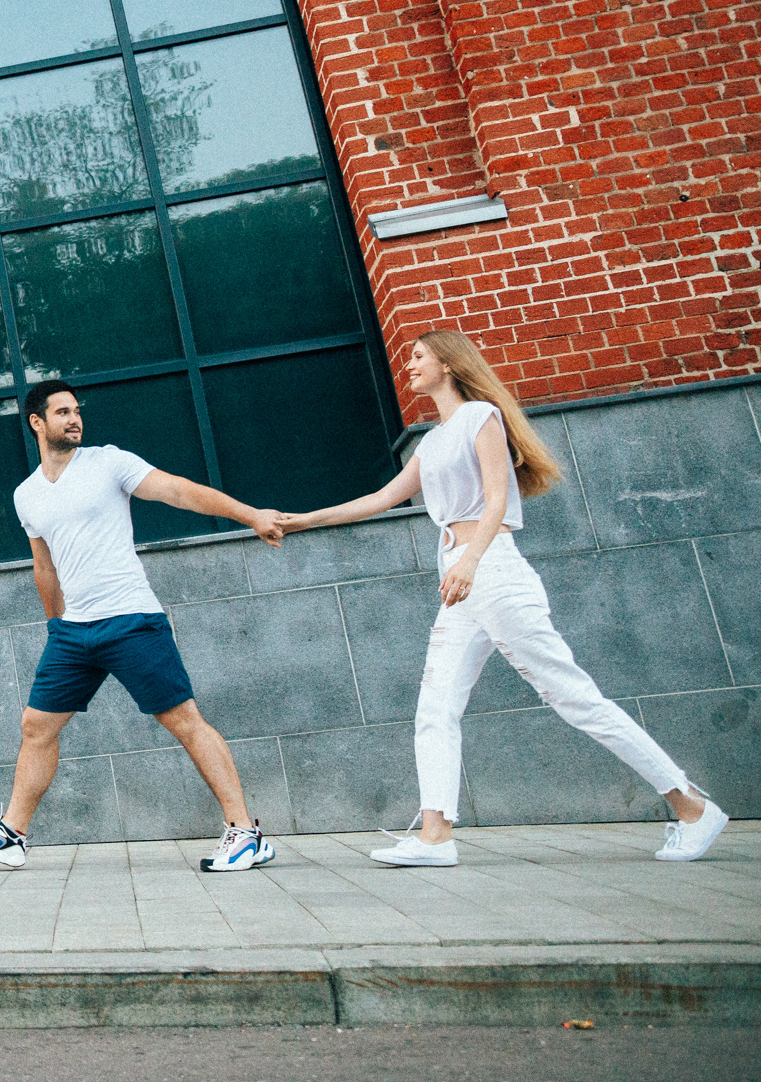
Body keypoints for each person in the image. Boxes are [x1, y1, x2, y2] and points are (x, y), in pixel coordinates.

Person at [284, 330, 729, 865]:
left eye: (418, 356)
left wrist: (470, 559)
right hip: (461, 582)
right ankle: (435, 837)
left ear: (448, 363)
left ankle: (692, 807)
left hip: (490, 569)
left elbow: (498, 496)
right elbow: (382, 498)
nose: (410, 365)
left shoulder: (480, 417)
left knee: (573, 697)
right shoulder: (432, 440)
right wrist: (305, 519)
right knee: (436, 707)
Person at [0, 380, 289, 874]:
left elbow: (179, 490)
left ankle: (246, 833)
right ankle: (13, 834)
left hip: (131, 618)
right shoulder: (27, 495)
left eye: (76, 411)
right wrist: (55, 626)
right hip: (74, 632)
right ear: (36, 423)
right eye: (61, 412)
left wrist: (249, 515)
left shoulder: (109, 462)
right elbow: (43, 565)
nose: (74, 418)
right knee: (36, 725)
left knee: (184, 721)